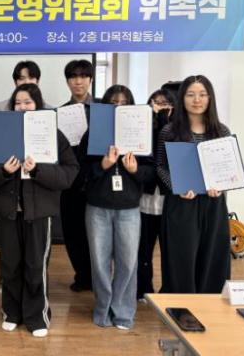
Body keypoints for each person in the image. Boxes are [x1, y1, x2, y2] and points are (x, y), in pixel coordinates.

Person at [0, 84, 78, 337]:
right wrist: (4, 171)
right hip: (8, 211)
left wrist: (37, 170)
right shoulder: (1, 134)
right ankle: (11, 312)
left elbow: (68, 174)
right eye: (18, 103)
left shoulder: (54, 134)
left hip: (39, 212)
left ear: (38, 104)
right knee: (10, 265)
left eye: (28, 102)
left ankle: (37, 316)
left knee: (36, 265)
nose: (22, 107)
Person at [85, 85, 154, 330]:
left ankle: (123, 312)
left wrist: (135, 170)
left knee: (128, 262)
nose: (118, 106)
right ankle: (103, 308)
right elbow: (80, 172)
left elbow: (151, 172)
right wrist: (103, 165)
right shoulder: (93, 132)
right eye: (113, 102)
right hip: (98, 207)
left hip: (129, 208)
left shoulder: (141, 133)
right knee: (99, 263)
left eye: (124, 103)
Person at [157, 75, 231, 293]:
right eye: (190, 95)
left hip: (213, 204)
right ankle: (181, 306)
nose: (196, 100)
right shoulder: (169, 131)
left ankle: (211, 305)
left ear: (210, 98)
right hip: (181, 204)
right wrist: (176, 187)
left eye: (202, 94)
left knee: (213, 257)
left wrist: (221, 186)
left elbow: (228, 169)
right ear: (182, 99)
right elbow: (160, 166)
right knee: (181, 258)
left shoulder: (221, 131)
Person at [59, 59, 96, 291]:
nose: (78, 81)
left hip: (96, 180)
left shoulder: (102, 109)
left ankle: (97, 276)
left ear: (90, 79)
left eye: (83, 76)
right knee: (72, 231)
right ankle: (82, 275)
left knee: (97, 233)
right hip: (70, 181)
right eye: (73, 76)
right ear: (68, 81)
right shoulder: (60, 112)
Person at [137, 89, 175, 301]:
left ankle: (169, 289)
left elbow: (168, 153)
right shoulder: (143, 128)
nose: (161, 106)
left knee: (170, 250)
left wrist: (163, 119)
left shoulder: (178, 130)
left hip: (170, 200)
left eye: (166, 102)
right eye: (157, 102)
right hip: (146, 199)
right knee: (143, 250)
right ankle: (143, 288)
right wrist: (157, 118)